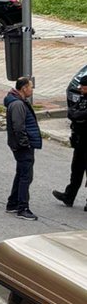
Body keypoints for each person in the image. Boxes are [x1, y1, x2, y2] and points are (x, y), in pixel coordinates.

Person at [4, 76, 42, 219]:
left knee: (21, 173)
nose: (32, 89)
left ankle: (12, 203)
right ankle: (22, 208)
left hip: (20, 145)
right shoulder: (18, 105)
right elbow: (19, 127)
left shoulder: (18, 102)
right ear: (24, 88)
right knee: (26, 176)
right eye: (30, 86)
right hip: (23, 146)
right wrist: (25, 143)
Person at [53, 75, 87, 209]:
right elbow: (72, 112)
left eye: (83, 86)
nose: (80, 89)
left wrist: (78, 115)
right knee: (76, 170)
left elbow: (80, 115)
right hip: (80, 141)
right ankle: (69, 196)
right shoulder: (83, 99)